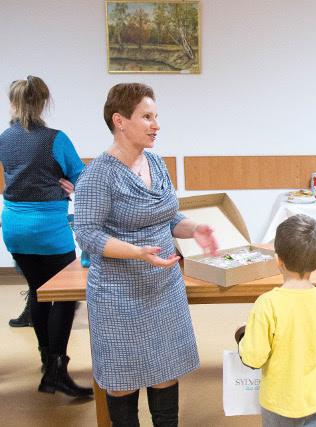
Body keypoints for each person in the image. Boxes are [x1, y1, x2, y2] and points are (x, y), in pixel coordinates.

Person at [74, 83, 218, 426]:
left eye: (156, 117)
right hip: (118, 295)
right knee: (122, 381)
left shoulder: (156, 163)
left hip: (163, 288)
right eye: (147, 117)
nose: (156, 125)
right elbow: (87, 233)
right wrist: (137, 253)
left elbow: (167, 217)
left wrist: (194, 228)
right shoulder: (98, 174)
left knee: (165, 373)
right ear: (119, 121)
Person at [0, 75, 92, 397]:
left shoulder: (4, 139)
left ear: (13, 103)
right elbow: (83, 178)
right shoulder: (55, 139)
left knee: (38, 292)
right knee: (64, 298)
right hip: (49, 230)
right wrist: (70, 184)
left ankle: (46, 361)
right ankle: (56, 371)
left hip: (15, 228)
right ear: (43, 103)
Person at [235, 214, 316, 427]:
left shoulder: (267, 303)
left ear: (278, 260)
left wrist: (243, 336)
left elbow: (253, 357)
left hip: (279, 404)